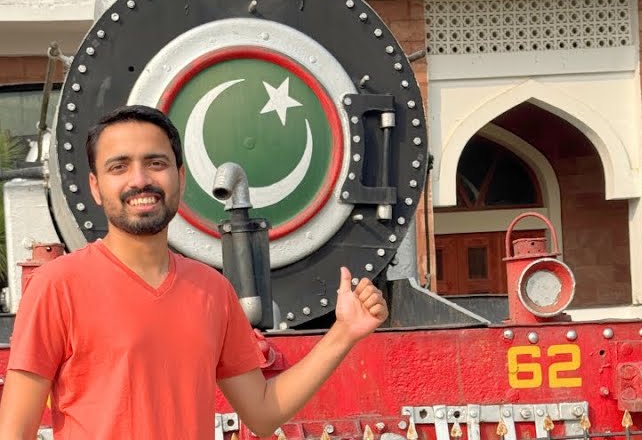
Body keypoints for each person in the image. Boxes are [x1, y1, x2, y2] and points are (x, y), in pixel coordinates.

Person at [0, 105, 389, 439]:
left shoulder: (212, 291)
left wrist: (344, 333)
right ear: (96, 187)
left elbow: (264, 412)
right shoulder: (59, 286)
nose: (140, 180)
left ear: (180, 178)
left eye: (156, 163)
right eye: (119, 166)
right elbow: (15, 430)